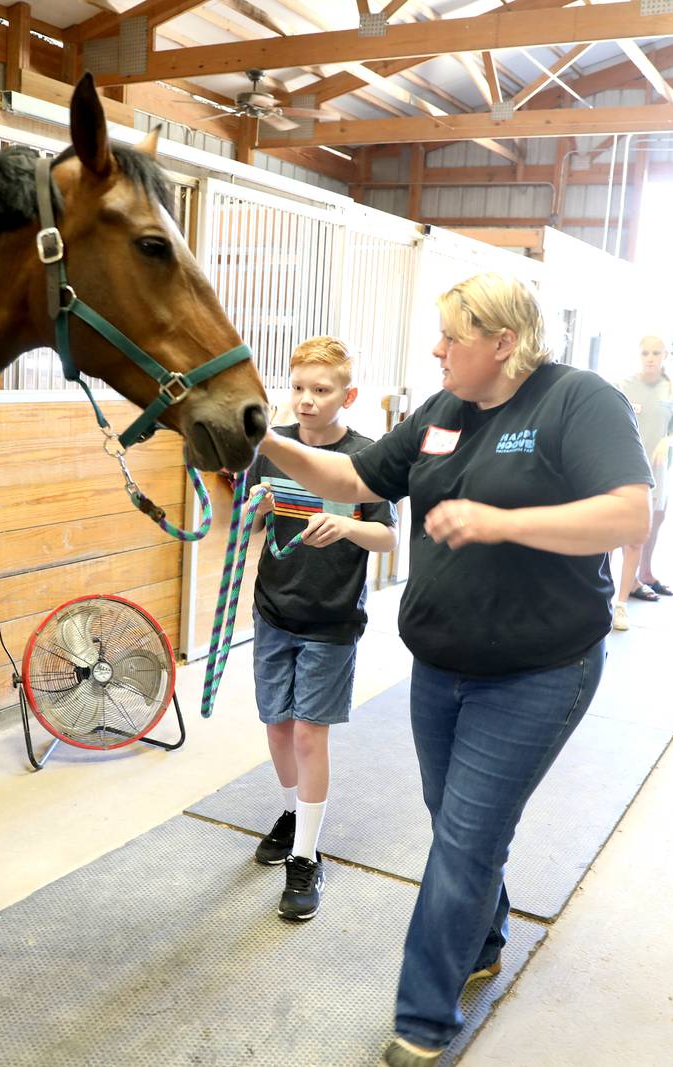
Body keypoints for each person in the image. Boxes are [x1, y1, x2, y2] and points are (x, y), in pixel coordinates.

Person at [251, 273, 652, 1066]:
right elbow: (356, 480)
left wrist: (501, 521)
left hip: (539, 669)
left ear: (503, 343)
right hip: (439, 666)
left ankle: (423, 1019)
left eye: (451, 337)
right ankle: (489, 931)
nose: (435, 349)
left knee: (464, 838)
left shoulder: (578, 401)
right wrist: (262, 437)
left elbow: (630, 512)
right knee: (455, 819)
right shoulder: (442, 413)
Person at [246, 336, 397, 922]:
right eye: (300, 388)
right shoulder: (275, 449)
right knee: (278, 727)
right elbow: (252, 523)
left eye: (321, 390)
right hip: (273, 611)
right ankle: (291, 812)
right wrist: (255, 506)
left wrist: (348, 527)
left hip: (331, 618)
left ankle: (306, 856)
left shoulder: (366, 458)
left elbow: (389, 536)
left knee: (311, 733)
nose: (306, 400)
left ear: (348, 395)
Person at [612, 335, 673, 631]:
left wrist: (668, 441)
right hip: (621, 469)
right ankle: (610, 594)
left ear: (665, 355)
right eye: (645, 352)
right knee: (612, 535)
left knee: (643, 532)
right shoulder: (622, 386)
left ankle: (626, 596)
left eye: (656, 353)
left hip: (655, 471)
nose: (650, 358)